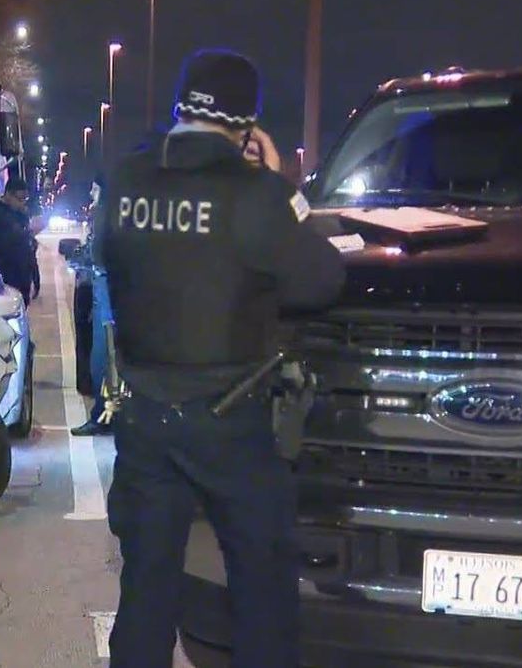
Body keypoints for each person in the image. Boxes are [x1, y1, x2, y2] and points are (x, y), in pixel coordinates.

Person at [94, 50, 345, 668]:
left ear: (181, 106)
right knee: (262, 587)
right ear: (248, 124)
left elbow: (106, 253)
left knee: (147, 586)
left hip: (145, 417)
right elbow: (321, 280)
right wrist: (282, 186)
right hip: (233, 419)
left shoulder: (127, 179)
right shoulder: (258, 195)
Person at [71, 174, 113, 436]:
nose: (91, 195)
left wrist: (80, 260)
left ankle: (102, 416)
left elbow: (95, 255)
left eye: (95, 189)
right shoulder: (119, 216)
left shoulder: (104, 217)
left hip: (105, 295)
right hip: (108, 293)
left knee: (102, 359)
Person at [0, 177, 35, 303]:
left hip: (21, 280)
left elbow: (27, 248)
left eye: (25, 199)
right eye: (19, 199)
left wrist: (34, 276)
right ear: (8, 194)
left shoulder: (21, 216)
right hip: (3, 280)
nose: (22, 203)